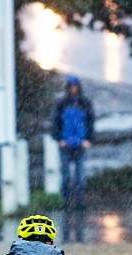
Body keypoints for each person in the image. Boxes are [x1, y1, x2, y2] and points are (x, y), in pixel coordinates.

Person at [51, 75, 95, 242]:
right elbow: (55, 122)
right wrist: (59, 139)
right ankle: (66, 202)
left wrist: (88, 140)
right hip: (66, 145)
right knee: (65, 176)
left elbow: (91, 122)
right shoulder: (61, 103)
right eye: (71, 86)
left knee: (80, 176)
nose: (73, 89)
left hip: (80, 145)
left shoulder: (85, 103)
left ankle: (79, 202)